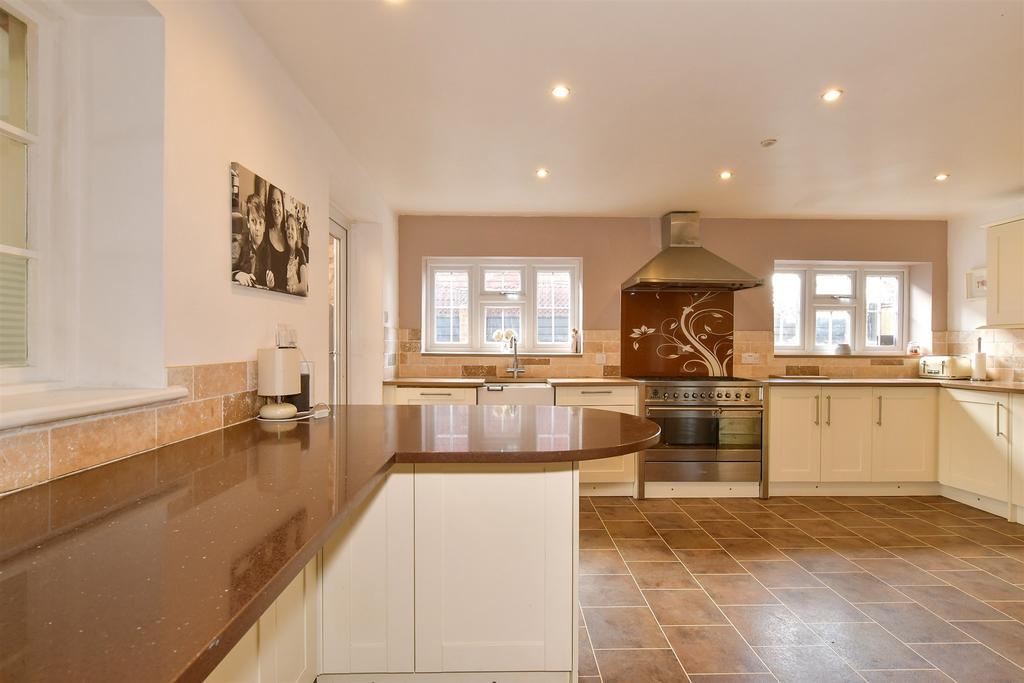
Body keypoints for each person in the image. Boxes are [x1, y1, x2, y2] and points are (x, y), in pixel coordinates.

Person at [233, 193, 271, 287]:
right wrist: (238, 275)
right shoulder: (239, 243)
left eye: (260, 222)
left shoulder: (268, 249)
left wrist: (271, 284)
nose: (257, 228)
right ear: (248, 223)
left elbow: (267, 282)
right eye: (253, 221)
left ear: (265, 226)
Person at [265, 185, 290, 291]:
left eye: (279, 202)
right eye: (272, 202)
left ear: (283, 205)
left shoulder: (289, 235)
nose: (276, 207)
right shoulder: (264, 233)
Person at [285, 212, 308, 295]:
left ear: (296, 233)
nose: (289, 231)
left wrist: (291, 290)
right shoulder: (285, 254)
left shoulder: (300, 253)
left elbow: (304, 287)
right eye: (288, 228)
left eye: (292, 228)